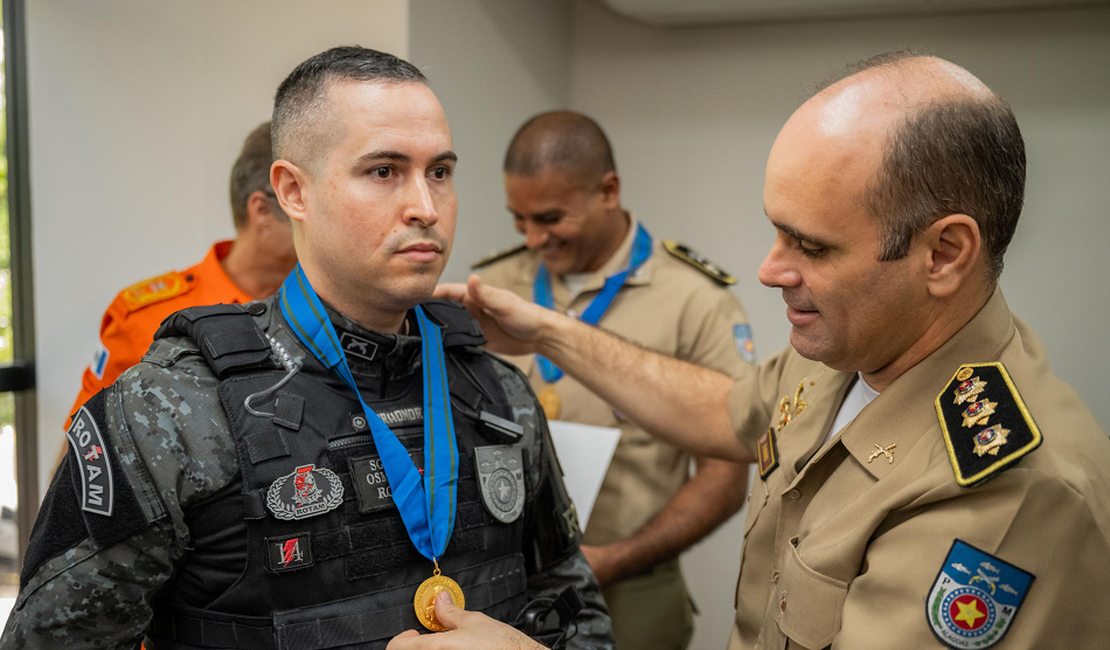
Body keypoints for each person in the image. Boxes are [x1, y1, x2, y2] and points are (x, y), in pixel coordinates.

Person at [421, 52, 1110, 649]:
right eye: (777, 232)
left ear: (944, 253)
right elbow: (726, 411)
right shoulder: (848, 351)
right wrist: (547, 331)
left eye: (811, 245)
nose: (770, 270)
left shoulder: (1007, 490)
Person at [4, 47, 611, 650]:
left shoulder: (501, 394)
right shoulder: (171, 410)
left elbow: (574, 612)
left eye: (440, 172)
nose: (426, 208)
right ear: (293, 191)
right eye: (384, 171)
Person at [474, 111, 751, 650]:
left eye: (550, 218)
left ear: (608, 190)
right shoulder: (496, 284)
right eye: (518, 220)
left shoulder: (696, 299)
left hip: (634, 584)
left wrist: (614, 560)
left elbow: (725, 475)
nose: (533, 239)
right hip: (512, 583)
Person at [68, 121, 297, 420]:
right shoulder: (144, 319)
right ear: (262, 210)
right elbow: (85, 444)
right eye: (300, 201)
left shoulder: (332, 307)